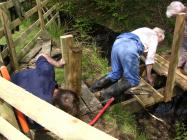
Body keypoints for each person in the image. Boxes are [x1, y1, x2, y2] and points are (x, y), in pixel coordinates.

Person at [90, 27, 165, 100]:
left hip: (118, 43)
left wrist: (147, 57)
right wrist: (149, 77)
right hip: (129, 49)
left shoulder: (145, 30)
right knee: (133, 80)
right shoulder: (154, 36)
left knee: (115, 73)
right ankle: (106, 94)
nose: (159, 43)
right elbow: (150, 59)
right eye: (160, 41)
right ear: (160, 35)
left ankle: (93, 88)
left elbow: (144, 49)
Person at [11, 53, 79, 127]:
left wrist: (57, 64)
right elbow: (32, 121)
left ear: (63, 90)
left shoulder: (47, 72)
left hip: (12, 80)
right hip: (11, 107)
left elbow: (42, 55)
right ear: (57, 107)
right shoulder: (45, 107)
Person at [166, 1, 187, 75]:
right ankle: (181, 62)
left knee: (185, 72)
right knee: (182, 47)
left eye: (175, 16)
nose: (175, 18)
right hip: (185, 39)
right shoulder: (181, 14)